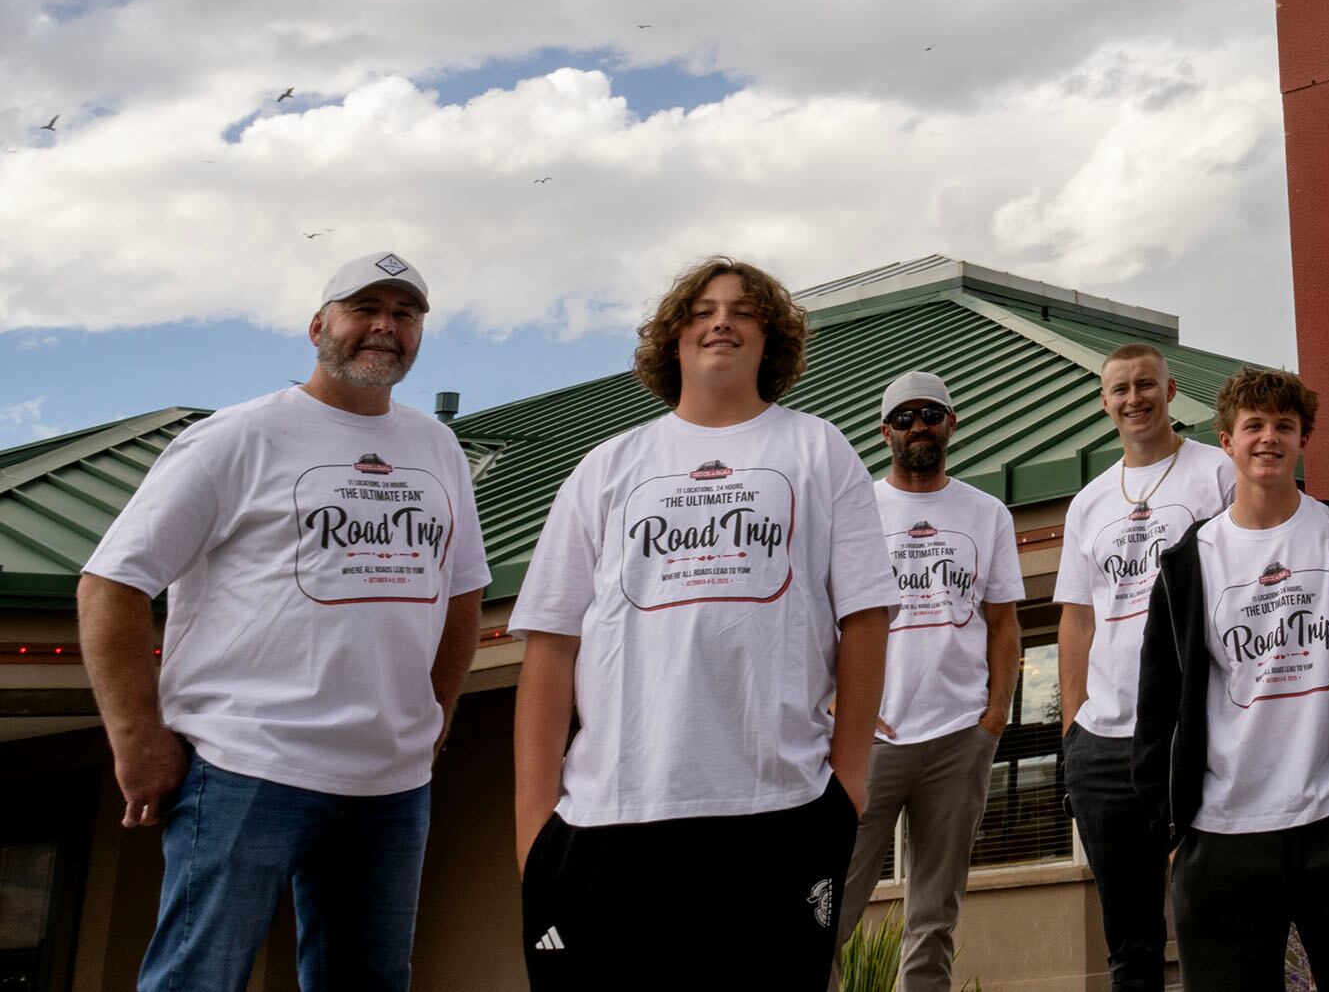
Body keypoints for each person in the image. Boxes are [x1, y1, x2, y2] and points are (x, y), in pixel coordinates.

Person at [77, 251, 489, 992]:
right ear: (317, 325)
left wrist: (435, 713)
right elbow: (113, 582)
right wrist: (136, 738)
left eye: (405, 313)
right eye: (365, 307)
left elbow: (462, 593)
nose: (385, 326)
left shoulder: (438, 448)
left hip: (392, 784)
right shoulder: (239, 436)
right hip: (246, 764)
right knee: (199, 979)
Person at [512, 256, 894, 987]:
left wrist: (847, 788)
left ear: (770, 337)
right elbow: (552, 644)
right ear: (674, 337)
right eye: (702, 309)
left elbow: (866, 618)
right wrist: (535, 826)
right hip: (609, 818)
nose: (722, 319)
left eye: (744, 309)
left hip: (778, 811)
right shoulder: (609, 465)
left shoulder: (818, 450)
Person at [1131, 366, 1329, 992]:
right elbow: (1157, 703)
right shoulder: (1190, 563)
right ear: (1227, 439)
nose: (1269, 438)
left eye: (1284, 427)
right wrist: (1174, 824)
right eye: (1254, 426)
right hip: (1223, 836)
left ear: (1301, 441)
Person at [830, 369, 1023, 992]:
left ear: (951, 425)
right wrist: (836, 704)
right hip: (871, 740)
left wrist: (994, 715)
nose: (919, 426)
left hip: (957, 739)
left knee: (934, 916)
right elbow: (818, 616)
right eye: (906, 417)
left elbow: (1003, 622)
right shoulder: (856, 511)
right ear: (886, 431)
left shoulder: (986, 514)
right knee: (831, 907)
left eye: (931, 414)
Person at [1052, 342, 1234, 992]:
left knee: (1217, 915)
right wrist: (1073, 731)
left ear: (1170, 388)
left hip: (1195, 728)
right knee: (1131, 941)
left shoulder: (1216, 473)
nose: (1134, 398)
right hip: (1104, 745)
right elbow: (1076, 617)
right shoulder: (1089, 502)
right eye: (1121, 388)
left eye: (1145, 385)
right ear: (1105, 401)